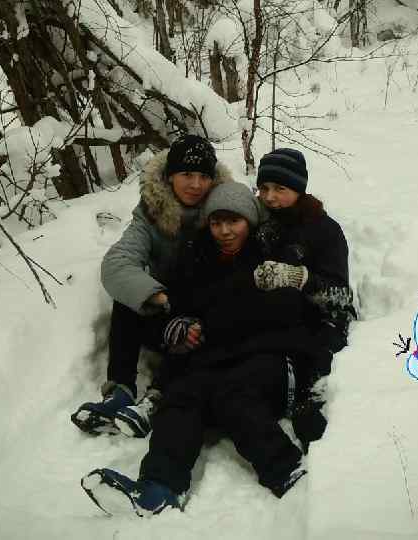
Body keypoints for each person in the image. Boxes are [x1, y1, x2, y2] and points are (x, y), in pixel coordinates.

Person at [80, 183, 323, 517]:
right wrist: (176, 328)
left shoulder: (270, 253)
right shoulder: (195, 258)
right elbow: (175, 307)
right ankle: (159, 488)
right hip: (211, 360)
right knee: (180, 398)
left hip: (268, 356)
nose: (224, 231)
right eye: (216, 222)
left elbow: (287, 309)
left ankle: (287, 473)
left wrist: (213, 319)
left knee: (234, 395)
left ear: (250, 221)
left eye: (233, 221)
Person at [70, 134, 234, 437]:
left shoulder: (225, 208)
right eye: (187, 174)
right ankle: (119, 391)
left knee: (209, 322)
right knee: (128, 298)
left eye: (204, 176)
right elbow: (117, 263)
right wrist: (158, 297)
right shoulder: (151, 211)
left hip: (206, 315)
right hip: (166, 310)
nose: (196, 184)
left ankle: (157, 398)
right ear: (170, 176)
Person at [253, 147, 356, 447]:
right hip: (276, 320)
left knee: (310, 384)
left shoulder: (325, 230)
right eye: (264, 188)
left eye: (280, 189)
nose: (270, 197)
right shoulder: (259, 223)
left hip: (321, 323)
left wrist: (299, 278)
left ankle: (320, 431)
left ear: (298, 189)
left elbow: (341, 297)